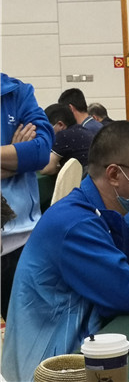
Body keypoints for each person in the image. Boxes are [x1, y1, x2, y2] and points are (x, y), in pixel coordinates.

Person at [2, 121, 129, 381]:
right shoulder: (75, 225)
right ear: (114, 174)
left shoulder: (116, 214)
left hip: (93, 349)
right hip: (54, 368)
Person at [1, 73, 54, 321]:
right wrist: (16, 158)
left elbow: (41, 152)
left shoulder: (17, 92)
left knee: (30, 330)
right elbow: (29, 156)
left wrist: (27, 157)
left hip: (20, 241)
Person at [41, 103, 95, 175]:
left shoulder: (63, 135)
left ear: (60, 125)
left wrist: (61, 169)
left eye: (48, 128)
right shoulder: (84, 130)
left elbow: (45, 169)